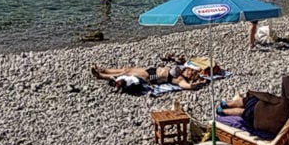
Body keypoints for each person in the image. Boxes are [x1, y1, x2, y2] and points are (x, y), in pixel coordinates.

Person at [88, 62, 217, 93]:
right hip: (151, 69)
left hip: (151, 76)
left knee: (125, 74)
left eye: (190, 73)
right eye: (189, 70)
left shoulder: (180, 80)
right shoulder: (181, 70)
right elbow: (198, 67)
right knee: (127, 69)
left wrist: (198, 83)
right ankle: (105, 69)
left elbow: (187, 87)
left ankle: (101, 75)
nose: (188, 71)